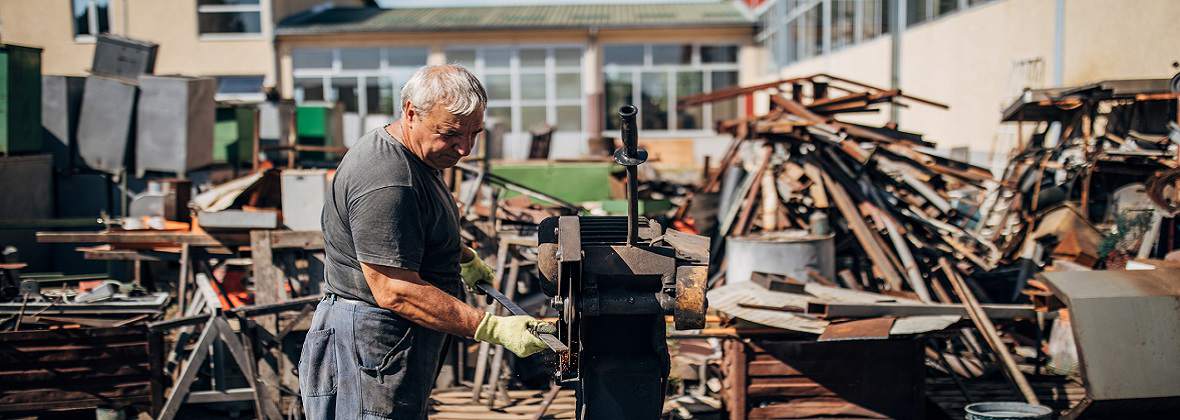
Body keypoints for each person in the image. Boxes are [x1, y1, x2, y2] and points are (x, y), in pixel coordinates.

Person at [298, 64, 555, 419]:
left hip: (388, 337)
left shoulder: (416, 155)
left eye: (474, 133)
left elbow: (409, 229)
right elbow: (393, 289)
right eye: (451, 134)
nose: (464, 148)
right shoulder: (387, 179)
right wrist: (491, 327)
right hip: (370, 339)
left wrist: (461, 256)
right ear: (410, 113)